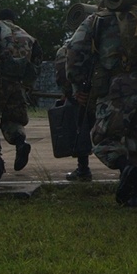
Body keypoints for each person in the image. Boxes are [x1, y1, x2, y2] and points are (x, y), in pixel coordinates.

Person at [66, 7, 137, 207]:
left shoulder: (99, 19)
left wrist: (77, 84)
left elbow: (74, 49)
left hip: (120, 87)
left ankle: (125, 168)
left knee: (102, 138)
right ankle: (133, 196)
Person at [0, 9, 41, 172]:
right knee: (13, 120)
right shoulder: (26, 35)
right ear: (13, 19)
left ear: (0, 18)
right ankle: (20, 143)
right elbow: (36, 62)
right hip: (17, 84)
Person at [55, 43, 93, 181]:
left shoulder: (69, 46)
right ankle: (126, 168)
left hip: (81, 95)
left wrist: (70, 92)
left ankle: (83, 169)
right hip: (108, 93)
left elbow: (61, 72)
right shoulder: (109, 38)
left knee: (80, 128)